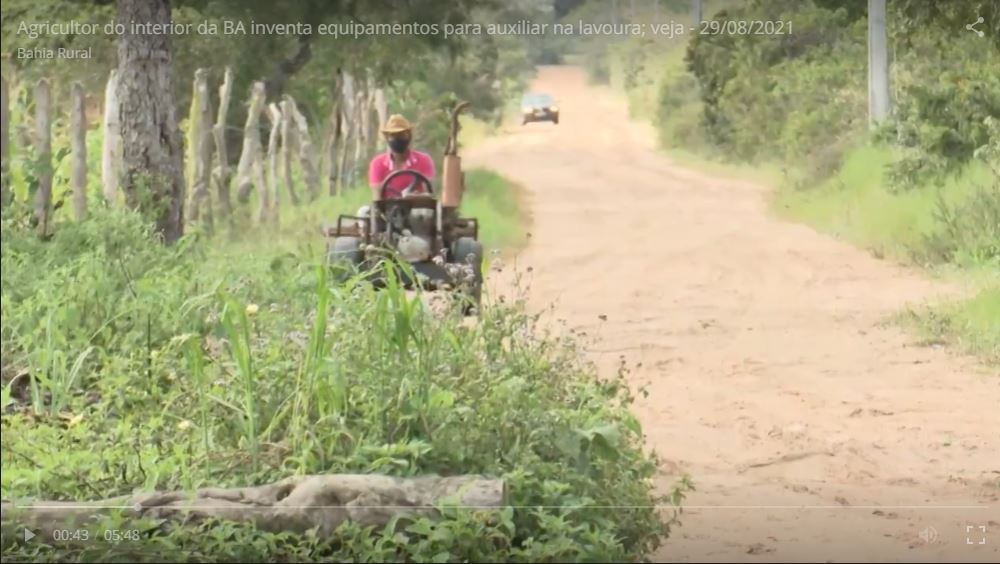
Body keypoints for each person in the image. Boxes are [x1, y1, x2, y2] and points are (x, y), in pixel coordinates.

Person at [367, 114, 436, 200]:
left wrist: (412, 197)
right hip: (390, 209)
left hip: (417, 208)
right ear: (387, 138)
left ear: (409, 136)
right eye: (393, 135)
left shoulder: (424, 160)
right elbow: (377, 198)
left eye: (401, 135)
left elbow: (428, 194)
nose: (397, 139)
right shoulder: (377, 163)